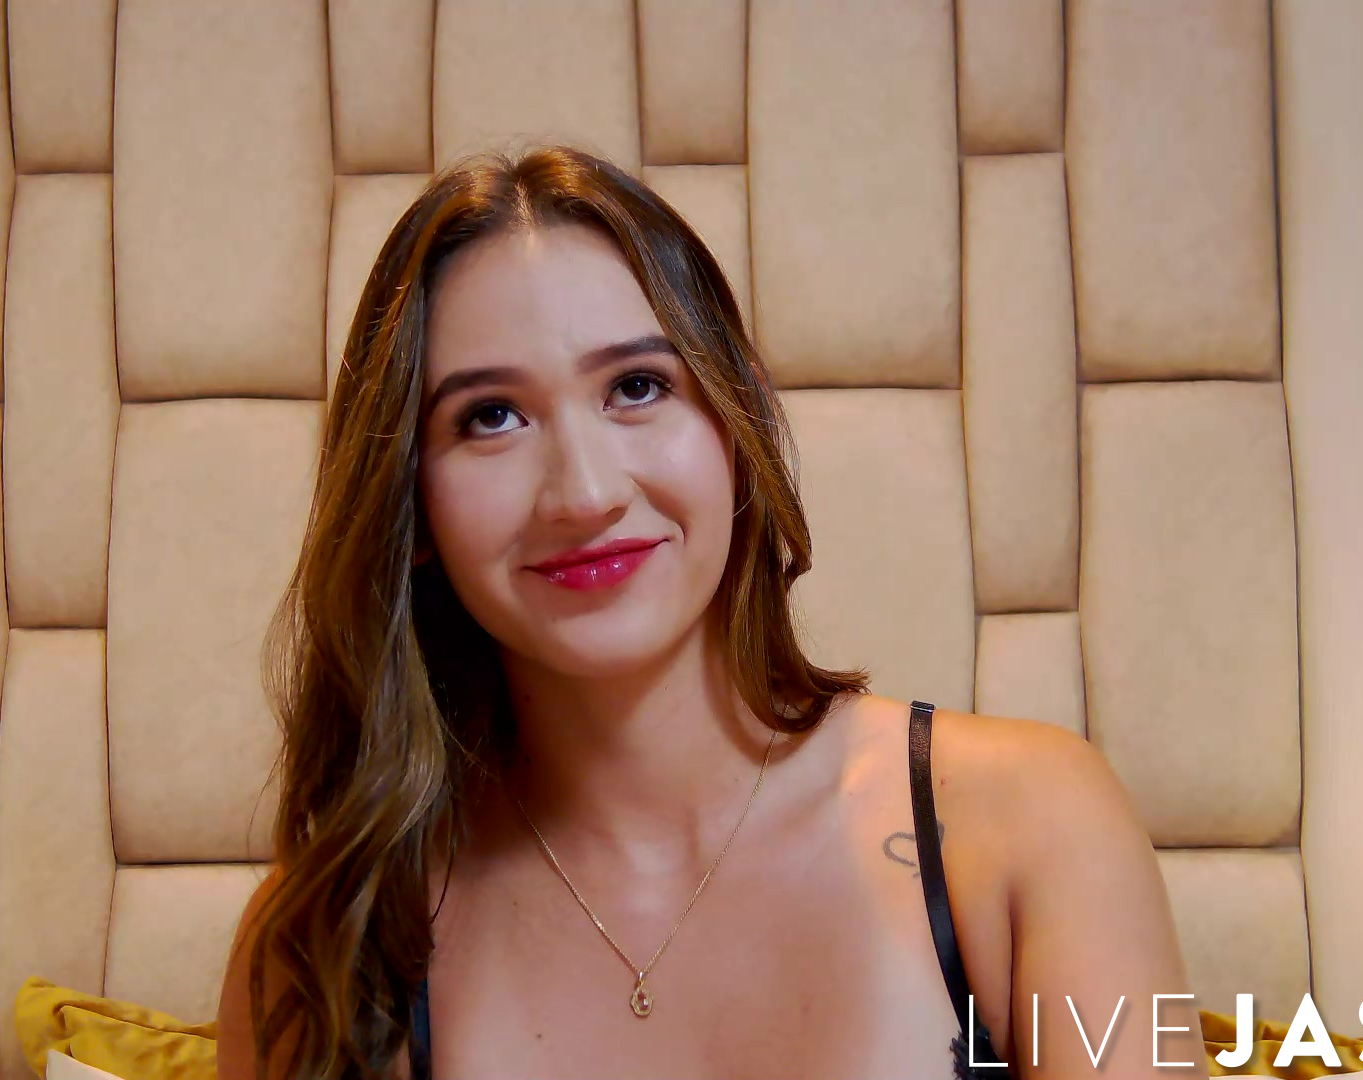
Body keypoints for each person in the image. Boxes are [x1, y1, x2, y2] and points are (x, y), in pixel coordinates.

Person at [216, 144, 1204, 1080]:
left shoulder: (1032, 825)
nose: (585, 493)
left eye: (638, 387)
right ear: (409, 502)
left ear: (737, 423)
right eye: (491, 417)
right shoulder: (326, 940)